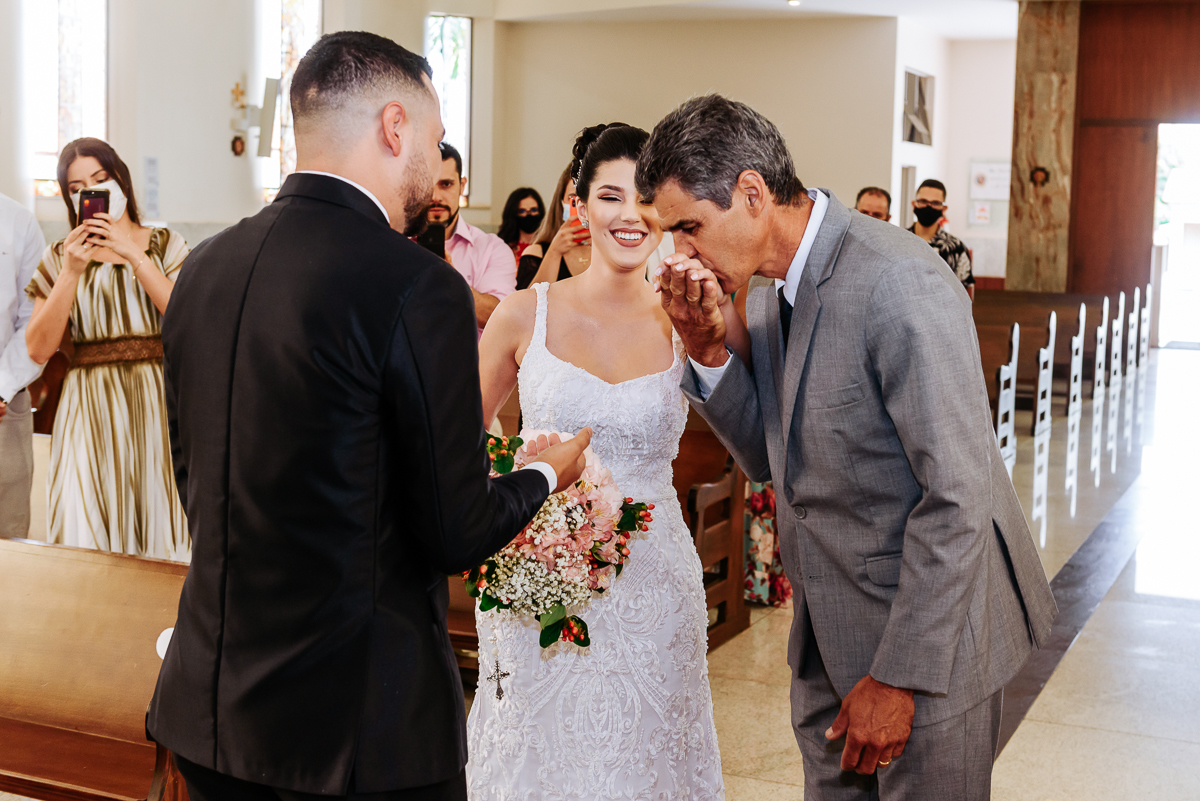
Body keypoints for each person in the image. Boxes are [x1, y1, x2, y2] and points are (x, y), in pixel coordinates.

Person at [145, 31, 591, 801]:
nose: (437, 152)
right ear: (394, 126)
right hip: (355, 733)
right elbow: (455, 528)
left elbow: (199, 480)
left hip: (212, 711)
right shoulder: (416, 285)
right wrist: (545, 471)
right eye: (434, 132)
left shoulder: (203, 269)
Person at [638, 94, 1057, 799]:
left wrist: (900, 676)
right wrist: (708, 347)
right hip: (828, 636)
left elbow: (959, 494)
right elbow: (773, 460)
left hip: (931, 643)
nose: (680, 253)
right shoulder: (768, 293)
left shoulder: (899, 281)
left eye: (688, 228)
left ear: (750, 193)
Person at [469, 123, 743, 800]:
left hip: (656, 587)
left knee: (646, 760)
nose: (628, 215)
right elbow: (454, 442)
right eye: (609, 195)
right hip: (543, 580)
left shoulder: (687, 314)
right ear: (579, 206)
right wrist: (515, 512)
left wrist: (712, 335)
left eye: (642, 197)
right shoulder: (522, 312)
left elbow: (751, 430)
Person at [24, 138, 190, 560]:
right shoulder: (61, 256)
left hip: (156, 401)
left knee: (160, 514)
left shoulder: (164, 244)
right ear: (70, 199)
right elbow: (39, 349)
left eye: (100, 179)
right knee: (87, 518)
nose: (91, 191)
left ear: (121, 181)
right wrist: (71, 272)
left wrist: (132, 253)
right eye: (77, 187)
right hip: (89, 406)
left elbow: (185, 317)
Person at [425, 142, 516, 332]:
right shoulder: (395, 243)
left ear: (462, 186)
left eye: (446, 184)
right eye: (427, 184)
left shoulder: (492, 249)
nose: (436, 196)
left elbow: (501, 318)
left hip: (473, 361)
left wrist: (452, 281)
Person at [0, 192, 46, 539]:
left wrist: (1, 386)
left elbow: (32, 320)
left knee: (8, 533)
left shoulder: (18, 221)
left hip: (5, 398)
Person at [516, 164, 591, 289]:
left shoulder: (611, 251)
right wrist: (554, 253)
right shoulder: (536, 253)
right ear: (561, 203)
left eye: (586, 198)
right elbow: (524, 306)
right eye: (573, 199)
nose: (580, 206)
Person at [907, 178, 974, 290]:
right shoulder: (899, 241)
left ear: (944, 208)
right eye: (923, 201)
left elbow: (963, 294)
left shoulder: (956, 248)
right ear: (914, 204)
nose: (928, 207)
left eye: (935, 203)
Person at [496, 187, 544, 261]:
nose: (529, 215)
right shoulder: (502, 247)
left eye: (533, 210)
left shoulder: (548, 245)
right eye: (522, 211)